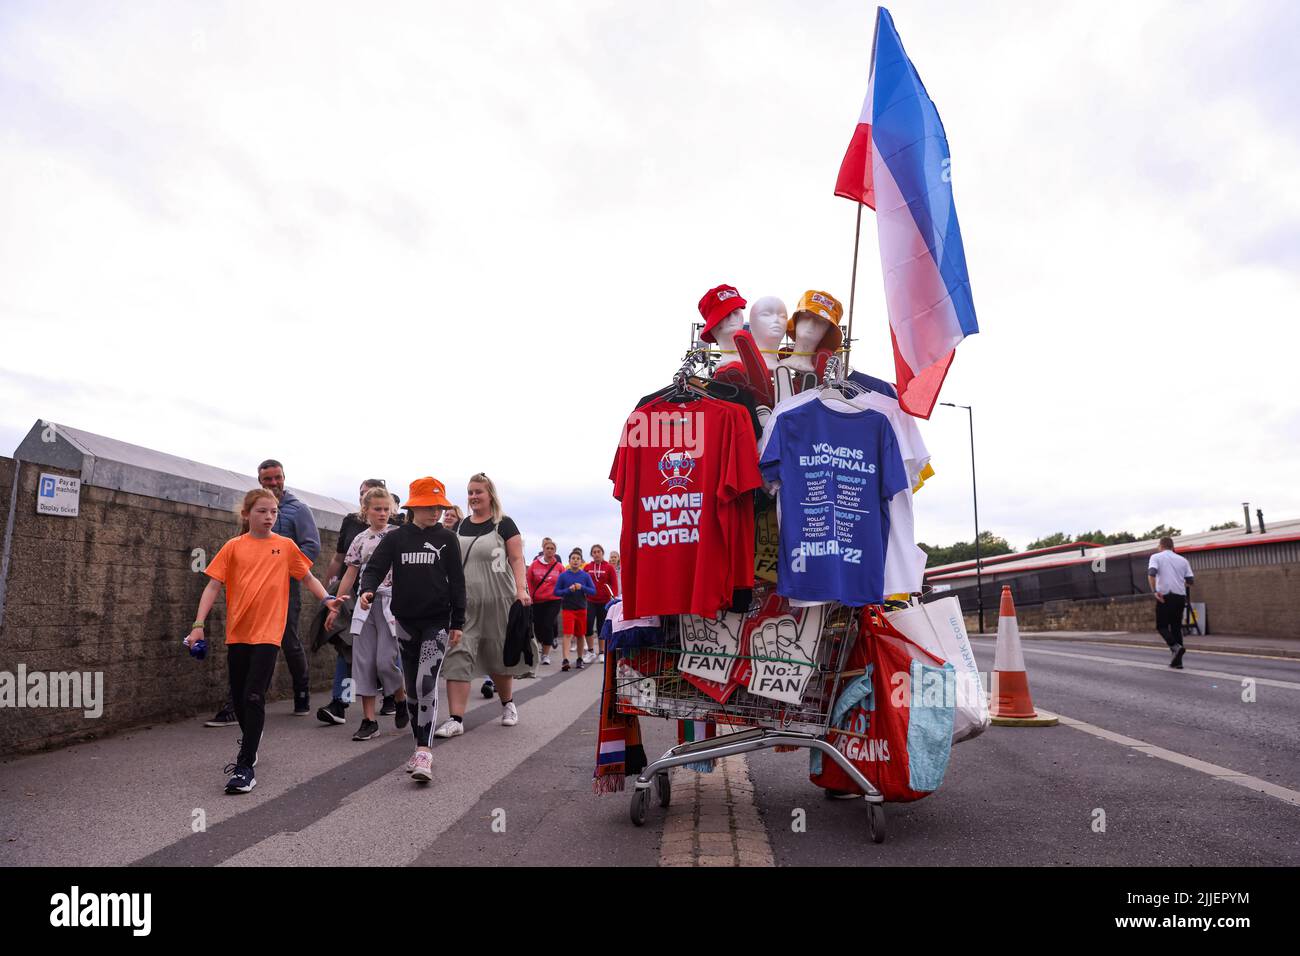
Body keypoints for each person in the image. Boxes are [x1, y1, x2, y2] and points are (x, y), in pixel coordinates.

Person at [186, 488, 345, 793]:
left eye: (274, 512)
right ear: (246, 515)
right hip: (238, 633)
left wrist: (328, 600)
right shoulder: (233, 547)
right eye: (262, 511)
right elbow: (212, 587)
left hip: (269, 632)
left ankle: (245, 767)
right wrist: (197, 625)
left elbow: (308, 577)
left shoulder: (285, 546)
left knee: (254, 696)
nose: (269, 517)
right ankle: (251, 740)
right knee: (242, 696)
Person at [357, 477, 465, 782]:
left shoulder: (447, 539)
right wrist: (367, 590)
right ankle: (418, 744)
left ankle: (423, 751)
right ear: (413, 507)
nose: (435, 513)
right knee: (413, 686)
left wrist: (458, 622)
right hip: (404, 621)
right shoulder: (396, 538)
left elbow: (458, 583)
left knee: (426, 683)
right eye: (429, 507)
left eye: (439, 507)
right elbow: (375, 567)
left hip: (437, 623)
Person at [205, 459, 321, 726]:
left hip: (285, 587)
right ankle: (239, 703)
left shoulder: (298, 509)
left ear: (284, 477)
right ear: (260, 481)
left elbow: (311, 547)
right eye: (267, 479)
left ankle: (301, 691)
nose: (273, 483)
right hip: (252, 592)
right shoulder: (256, 507)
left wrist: (286, 569)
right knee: (248, 645)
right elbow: (244, 541)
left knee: (288, 640)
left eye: (277, 477)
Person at [435, 474, 532, 737]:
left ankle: (508, 703)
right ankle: (456, 719)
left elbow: (517, 558)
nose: (473, 497)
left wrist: (521, 590)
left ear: (490, 494)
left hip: (499, 598)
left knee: (498, 654)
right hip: (465, 602)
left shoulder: (504, 524)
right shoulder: (460, 526)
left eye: (478, 492)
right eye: (470, 492)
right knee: (458, 653)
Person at [328, 486, 409, 740]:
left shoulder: (399, 535)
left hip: (391, 605)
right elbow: (350, 572)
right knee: (362, 662)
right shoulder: (360, 539)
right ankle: (368, 720)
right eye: (377, 509)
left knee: (385, 661)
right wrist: (337, 604)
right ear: (366, 511)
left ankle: (400, 697)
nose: (383, 513)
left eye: (387, 509)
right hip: (365, 605)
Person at [317, 478, 387, 727]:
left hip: (387, 600)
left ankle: (393, 696)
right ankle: (340, 703)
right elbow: (340, 560)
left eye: (369, 495)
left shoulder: (395, 527)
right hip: (355, 597)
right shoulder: (350, 522)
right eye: (362, 495)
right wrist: (330, 591)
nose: (364, 499)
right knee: (348, 649)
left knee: (386, 655)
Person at [1148, 536, 1194, 669]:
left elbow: (1151, 573)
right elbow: (1190, 581)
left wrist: (1155, 591)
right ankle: (1178, 662)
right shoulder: (1183, 560)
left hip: (1164, 596)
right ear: (1173, 547)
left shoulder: (1156, 557)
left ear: (1161, 546)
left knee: (1161, 626)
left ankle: (1175, 647)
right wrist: (1179, 584)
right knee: (1176, 627)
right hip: (1180, 596)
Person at [554, 548, 596, 671]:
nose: (575, 561)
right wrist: (568, 590)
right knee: (567, 634)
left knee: (580, 635)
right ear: (569, 561)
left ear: (581, 561)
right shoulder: (563, 576)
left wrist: (582, 587)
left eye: (578, 559)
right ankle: (565, 659)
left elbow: (593, 591)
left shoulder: (585, 576)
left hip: (581, 609)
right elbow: (556, 592)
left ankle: (579, 658)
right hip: (568, 609)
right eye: (573, 559)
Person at [527, 538, 564, 666]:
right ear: (543, 550)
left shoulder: (559, 567)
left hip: (554, 600)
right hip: (537, 600)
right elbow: (529, 582)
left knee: (548, 624)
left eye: (552, 548)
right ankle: (543, 643)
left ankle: (546, 654)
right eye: (547, 548)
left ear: (555, 551)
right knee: (538, 626)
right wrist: (530, 597)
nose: (549, 550)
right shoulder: (534, 565)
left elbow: (564, 582)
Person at [583, 543, 619, 664]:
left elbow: (614, 584)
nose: (597, 554)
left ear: (602, 553)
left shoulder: (609, 567)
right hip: (590, 600)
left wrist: (612, 599)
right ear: (591, 554)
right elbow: (583, 582)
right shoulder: (587, 567)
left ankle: (602, 652)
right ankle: (590, 651)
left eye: (599, 551)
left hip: (604, 601)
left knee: (601, 627)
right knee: (588, 625)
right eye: (594, 552)